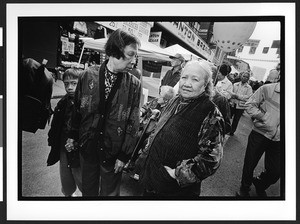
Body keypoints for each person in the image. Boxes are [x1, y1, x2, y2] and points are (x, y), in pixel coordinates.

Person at [65, 29, 142, 197]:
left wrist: (124, 155)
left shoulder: (134, 84)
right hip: (88, 146)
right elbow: (77, 109)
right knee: (88, 191)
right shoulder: (88, 75)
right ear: (115, 50)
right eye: (131, 54)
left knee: (110, 195)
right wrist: (72, 135)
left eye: (136, 56)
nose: (134, 61)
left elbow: (133, 122)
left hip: (113, 152)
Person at [140, 60, 225, 197]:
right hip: (152, 180)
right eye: (184, 77)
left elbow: (211, 159)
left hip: (174, 191)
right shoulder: (176, 99)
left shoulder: (210, 113)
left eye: (195, 79)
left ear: (205, 84)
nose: (186, 83)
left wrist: (177, 174)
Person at [236, 81, 280, 197]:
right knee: (250, 163)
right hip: (260, 132)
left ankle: (260, 183)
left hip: (279, 139)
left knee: (276, 171)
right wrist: (264, 118)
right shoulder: (267, 89)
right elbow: (250, 105)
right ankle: (244, 187)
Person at [47, 68, 82, 197]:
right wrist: (52, 138)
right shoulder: (62, 103)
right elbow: (56, 124)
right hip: (63, 145)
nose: (69, 87)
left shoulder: (85, 103)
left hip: (79, 147)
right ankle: (68, 195)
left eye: (74, 83)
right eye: (66, 84)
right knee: (65, 175)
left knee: (81, 176)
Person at [228, 71, 253, 136]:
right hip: (233, 104)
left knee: (236, 120)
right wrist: (233, 96)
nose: (244, 78)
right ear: (241, 76)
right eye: (243, 76)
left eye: (246, 77)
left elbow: (248, 97)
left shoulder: (249, 88)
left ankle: (232, 131)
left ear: (248, 79)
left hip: (240, 106)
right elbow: (231, 93)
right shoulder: (235, 84)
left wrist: (238, 96)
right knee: (228, 117)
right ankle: (226, 129)